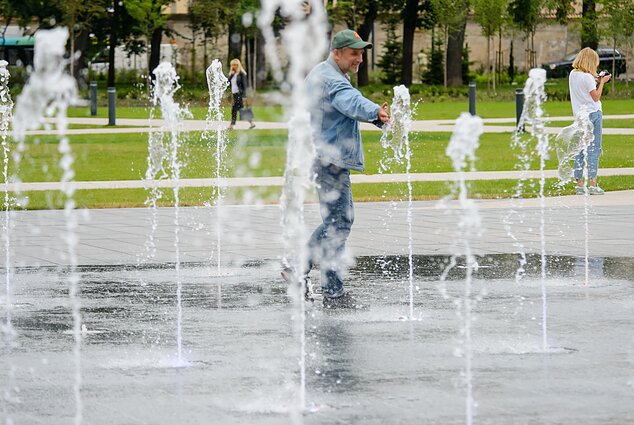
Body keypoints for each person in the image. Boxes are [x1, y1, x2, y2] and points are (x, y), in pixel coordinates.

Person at [282, 29, 389, 309]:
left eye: (361, 53)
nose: (359, 59)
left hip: (323, 158)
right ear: (337, 53)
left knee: (337, 222)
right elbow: (349, 101)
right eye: (354, 53)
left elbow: (343, 107)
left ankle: (321, 283)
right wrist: (375, 111)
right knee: (339, 222)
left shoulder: (324, 74)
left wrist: (376, 118)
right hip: (328, 161)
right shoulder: (330, 79)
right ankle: (322, 284)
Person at [569, 47, 611, 195]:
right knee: (594, 148)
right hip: (593, 114)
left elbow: (585, 85)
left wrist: (597, 79)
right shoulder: (587, 78)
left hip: (580, 116)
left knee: (580, 148)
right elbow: (596, 97)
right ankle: (593, 183)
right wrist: (602, 82)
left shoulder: (573, 74)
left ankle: (579, 184)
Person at [227, 58, 255, 130]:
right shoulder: (233, 74)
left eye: (236, 65)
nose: (234, 66)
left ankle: (232, 125)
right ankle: (251, 123)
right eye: (233, 65)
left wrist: (244, 96)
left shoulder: (241, 74)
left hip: (239, 94)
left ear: (239, 65)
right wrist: (231, 75)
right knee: (240, 109)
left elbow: (244, 85)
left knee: (235, 109)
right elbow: (228, 83)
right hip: (235, 94)